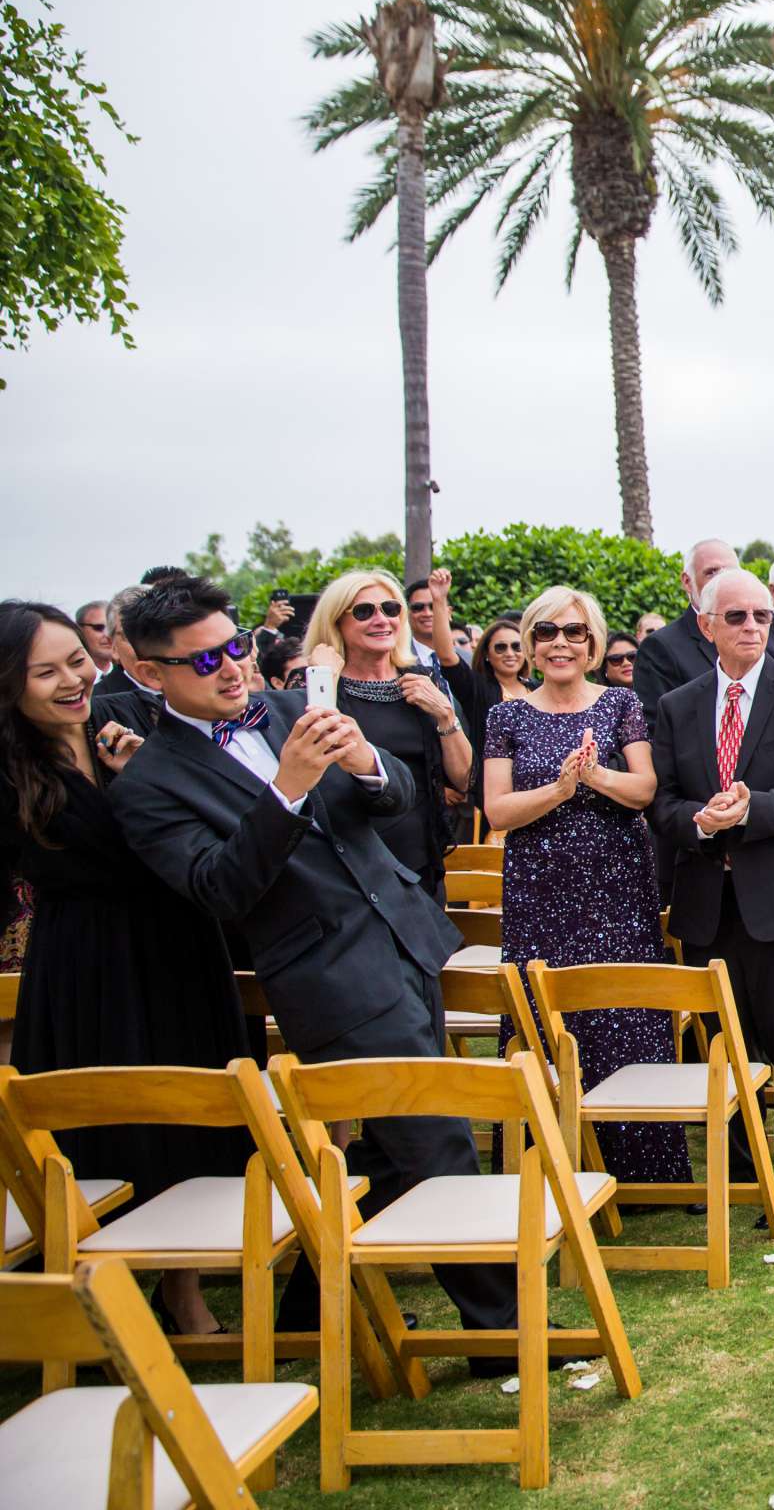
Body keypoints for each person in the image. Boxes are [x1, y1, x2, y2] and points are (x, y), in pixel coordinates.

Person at [107, 576, 516, 1351]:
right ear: (152, 671)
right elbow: (221, 887)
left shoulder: (295, 709)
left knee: (388, 1149)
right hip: (327, 975)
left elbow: (392, 801)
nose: (230, 668)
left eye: (235, 647)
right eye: (203, 661)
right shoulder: (152, 784)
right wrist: (287, 787)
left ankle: (302, 1307)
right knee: (436, 1137)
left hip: (407, 933)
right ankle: (504, 1328)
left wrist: (365, 761)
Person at [0, 601, 251, 1336]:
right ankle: (91, 1297)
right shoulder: (12, 767)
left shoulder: (125, 733)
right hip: (89, 963)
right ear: (11, 685)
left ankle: (183, 1290)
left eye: (77, 659)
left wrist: (144, 774)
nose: (72, 680)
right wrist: (146, 797)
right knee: (108, 1123)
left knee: (187, 1115)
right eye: (45, 672)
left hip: (180, 946)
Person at [650, 570, 774, 1224]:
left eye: (761, 617)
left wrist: (749, 810)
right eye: (735, 617)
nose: (751, 628)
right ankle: (741, 1162)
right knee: (725, 1041)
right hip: (711, 895)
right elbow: (663, 802)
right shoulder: (679, 705)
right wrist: (699, 822)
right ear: (705, 624)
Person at [479, 586, 688, 1185]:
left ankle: (645, 1167)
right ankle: (547, 1163)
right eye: (546, 632)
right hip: (540, 887)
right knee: (545, 1015)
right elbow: (497, 810)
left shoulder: (620, 703)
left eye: (574, 632)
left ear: (593, 642)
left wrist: (595, 775)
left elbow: (645, 790)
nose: (561, 643)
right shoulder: (506, 714)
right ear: (529, 644)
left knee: (625, 1007)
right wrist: (558, 791)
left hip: (617, 880)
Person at [302, 568, 473, 903]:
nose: (382, 620)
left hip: (420, 862)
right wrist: (323, 679)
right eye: (364, 611)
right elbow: (312, 764)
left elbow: (465, 779)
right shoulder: (320, 686)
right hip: (348, 866)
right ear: (336, 622)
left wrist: (445, 714)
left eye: (391, 609)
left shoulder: (424, 682)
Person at [633, 538, 737, 719]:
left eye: (730, 572)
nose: (722, 580)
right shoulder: (659, 648)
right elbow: (659, 727)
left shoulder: (759, 635)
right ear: (687, 582)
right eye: (711, 572)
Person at [74, 600, 114, 673]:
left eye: (111, 628)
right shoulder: (72, 678)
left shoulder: (130, 674)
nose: (108, 635)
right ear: (79, 630)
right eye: (99, 627)